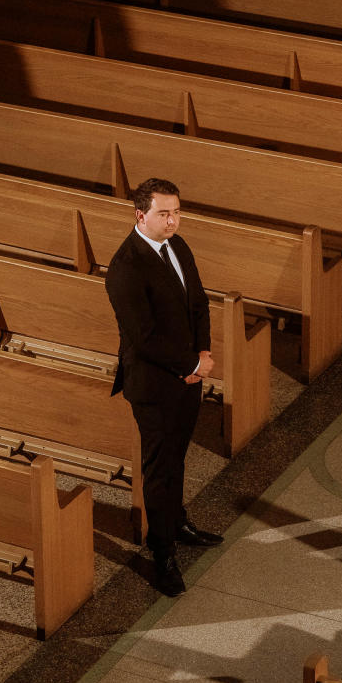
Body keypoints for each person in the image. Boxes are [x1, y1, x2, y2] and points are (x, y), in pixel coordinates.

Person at [105, 177, 224, 596]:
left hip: (190, 375)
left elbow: (198, 302)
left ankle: (177, 522)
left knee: (177, 456)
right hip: (154, 384)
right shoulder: (125, 267)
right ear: (141, 215)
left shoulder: (179, 246)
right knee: (158, 468)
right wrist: (191, 363)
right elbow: (144, 337)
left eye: (176, 212)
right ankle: (162, 552)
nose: (173, 220)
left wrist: (203, 356)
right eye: (164, 213)